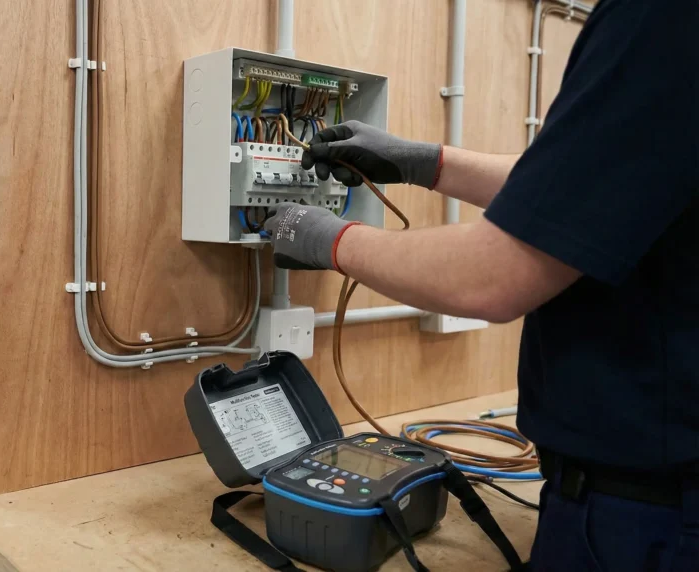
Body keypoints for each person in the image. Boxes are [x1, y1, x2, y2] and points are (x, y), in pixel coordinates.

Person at [263, 0, 697, 569]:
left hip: (649, 514)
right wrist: (425, 162)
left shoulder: (662, 17)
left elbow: (494, 275)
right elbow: (588, 188)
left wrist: (331, 241)